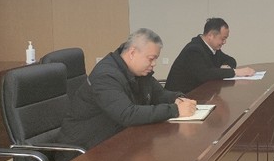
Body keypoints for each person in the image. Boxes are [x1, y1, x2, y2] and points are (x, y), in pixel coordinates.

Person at [60, 28, 196, 153]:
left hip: (116, 141)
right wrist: (175, 110)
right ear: (132, 53)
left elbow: (159, 94)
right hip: (84, 151)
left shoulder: (139, 72)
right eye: (151, 59)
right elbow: (127, 114)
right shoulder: (106, 76)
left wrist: (178, 99)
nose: (154, 64)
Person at [165, 18, 255, 94]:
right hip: (180, 97)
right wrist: (235, 72)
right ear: (210, 36)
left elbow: (230, 60)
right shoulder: (194, 50)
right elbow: (205, 74)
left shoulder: (213, 48)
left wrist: (226, 67)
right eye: (223, 38)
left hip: (200, 94)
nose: (224, 42)